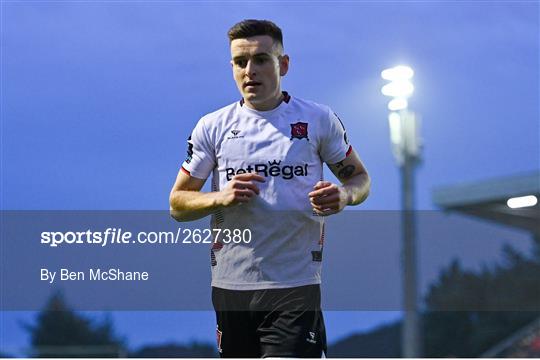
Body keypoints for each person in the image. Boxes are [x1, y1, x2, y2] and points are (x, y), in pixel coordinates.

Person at [169, 19, 370, 358]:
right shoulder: (212, 126)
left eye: (261, 59)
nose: (250, 70)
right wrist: (222, 196)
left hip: (296, 284)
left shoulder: (318, 119)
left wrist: (345, 195)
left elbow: (359, 179)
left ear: (284, 64)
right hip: (232, 286)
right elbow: (177, 204)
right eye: (240, 62)